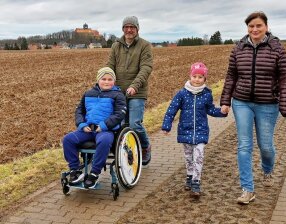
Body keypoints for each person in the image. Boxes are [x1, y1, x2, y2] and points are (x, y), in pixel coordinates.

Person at [220, 11, 286, 204]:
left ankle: (267, 169)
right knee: (244, 145)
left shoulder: (277, 49)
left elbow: (285, 78)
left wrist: (285, 103)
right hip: (241, 102)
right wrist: (226, 101)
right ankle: (247, 189)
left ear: (266, 27)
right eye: (251, 26)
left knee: (265, 146)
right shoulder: (239, 48)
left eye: (258, 26)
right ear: (247, 29)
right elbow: (231, 76)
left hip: (268, 104)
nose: (255, 29)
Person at [162, 62, 227, 199]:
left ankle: (196, 182)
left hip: (201, 130)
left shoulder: (207, 94)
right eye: (194, 76)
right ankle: (189, 175)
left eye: (200, 77)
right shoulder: (182, 94)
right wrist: (166, 125)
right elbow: (171, 109)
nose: (197, 79)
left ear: (205, 79)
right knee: (188, 156)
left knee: (199, 155)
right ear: (190, 76)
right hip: (185, 130)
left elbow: (210, 110)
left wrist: (222, 112)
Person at [63, 67, 127, 189]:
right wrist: (82, 125)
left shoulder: (118, 95)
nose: (107, 82)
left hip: (106, 130)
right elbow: (79, 111)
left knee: (105, 141)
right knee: (68, 139)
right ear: (98, 80)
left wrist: (103, 126)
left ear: (114, 81)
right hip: (87, 130)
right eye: (104, 79)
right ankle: (75, 170)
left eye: (110, 79)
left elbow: (119, 114)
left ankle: (94, 173)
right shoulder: (88, 93)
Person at [107, 16, 153, 166]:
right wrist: (105, 82)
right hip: (118, 92)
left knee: (134, 124)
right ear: (122, 29)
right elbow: (110, 66)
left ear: (137, 29)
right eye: (126, 27)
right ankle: (124, 151)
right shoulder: (116, 46)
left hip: (137, 92)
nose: (129, 30)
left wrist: (135, 85)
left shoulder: (144, 45)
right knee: (119, 125)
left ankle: (145, 147)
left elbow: (146, 68)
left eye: (132, 27)